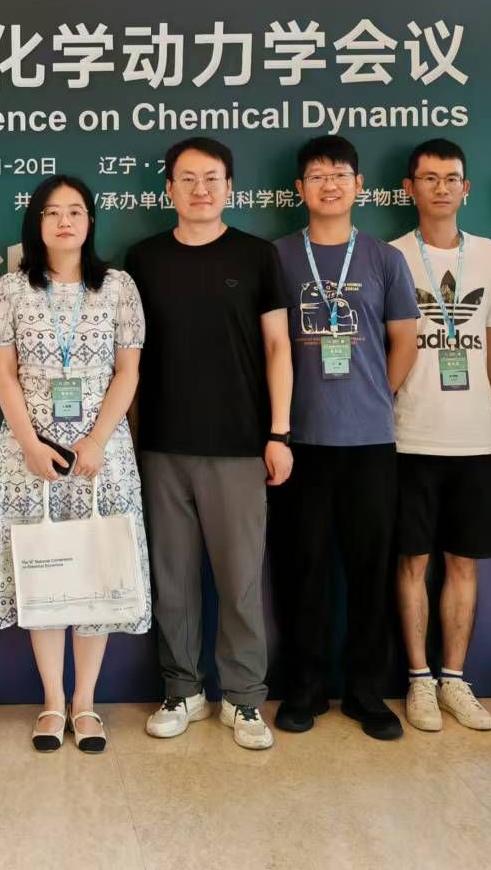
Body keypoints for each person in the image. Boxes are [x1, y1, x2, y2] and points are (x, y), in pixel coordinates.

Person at [126, 136, 292, 751]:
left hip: (239, 446)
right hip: (162, 445)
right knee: (172, 580)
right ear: (169, 188)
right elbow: (129, 359)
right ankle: (183, 690)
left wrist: (279, 432)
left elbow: (277, 347)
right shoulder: (143, 260)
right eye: (188, 179)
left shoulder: (257, 255)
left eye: (212, 178)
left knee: (240, 580)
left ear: (229, 188)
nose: (201, 189)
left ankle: (245, 699)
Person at [0, 175, 149, 753]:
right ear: (37, 223)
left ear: (90, 221)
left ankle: (86, 703)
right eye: (53, 212)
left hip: (103, 453)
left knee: (96, 569)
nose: (65, 221)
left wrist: (95, 441)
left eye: (75, 211)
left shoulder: (118, 287)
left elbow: (128, 371)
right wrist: (29, 444)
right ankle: (52, 701)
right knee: (44, 569)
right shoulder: (10, 289)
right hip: (29, 452)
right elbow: (3, 374)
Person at [269, 134, 419, 741]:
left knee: (368, 571)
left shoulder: (385, 259)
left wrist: (376, 395)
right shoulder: (278, 257)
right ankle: (303, 689)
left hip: (369, 443)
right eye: (316, 175)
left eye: (339, 175)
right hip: (298, 442)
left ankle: (365, 692)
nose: (328, 185)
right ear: (298, 189)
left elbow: (404, 340)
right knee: (301, 571)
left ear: (359, 185)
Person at [390, 138, 491, 732]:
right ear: (409, 188)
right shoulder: (390, 256)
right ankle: (418, 679)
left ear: (466, 188)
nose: (441, 188)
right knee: (411, 562)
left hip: (477, 441)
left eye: (451, 178)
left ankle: (455, 679)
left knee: (463, 564)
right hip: (408, 438)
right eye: (429, 178)